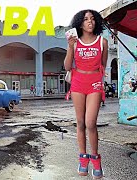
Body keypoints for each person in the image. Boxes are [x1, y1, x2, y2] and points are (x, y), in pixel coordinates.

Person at [64, 9, 107, 179]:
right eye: (86, 19)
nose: (90, 22)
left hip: (95, 83)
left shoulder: (102, 42)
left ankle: (96, 159)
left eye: (92, 19)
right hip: (77, 83)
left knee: (90, 123)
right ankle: (83, 159)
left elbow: (102, 65)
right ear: (80, 23)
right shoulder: (74, 42)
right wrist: (69, 47)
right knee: (80, 122)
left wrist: (98, 79)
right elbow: (67, 67)